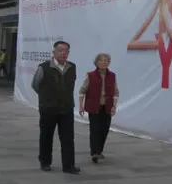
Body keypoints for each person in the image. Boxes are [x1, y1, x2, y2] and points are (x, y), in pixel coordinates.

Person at [31, 40, 80, 174]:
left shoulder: (72, 67)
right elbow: (35, 85)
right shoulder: (44, 67)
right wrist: (47, 98)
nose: (63, 53)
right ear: (54, 52)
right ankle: (45, 162)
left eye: (66, 51)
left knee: (68, 138)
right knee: (46, 136)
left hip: (67, 108)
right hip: (48, 109)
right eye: (60, 51)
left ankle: (68, 165)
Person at [79, 53, 119, 163]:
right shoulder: (90, 75)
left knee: (104, 130)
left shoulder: (112, 76)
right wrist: (81, 106)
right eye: (101, 60)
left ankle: (99, 150)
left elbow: (116, 92)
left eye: (106, 61)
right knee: (94, 129)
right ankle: (94, 152)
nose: (104, 63)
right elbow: (82, 90)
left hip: (107, 107)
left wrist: (114, 106)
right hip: (94, 106)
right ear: (96, 63)